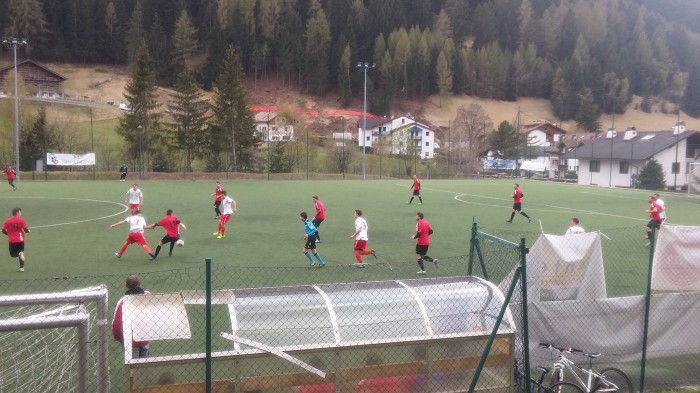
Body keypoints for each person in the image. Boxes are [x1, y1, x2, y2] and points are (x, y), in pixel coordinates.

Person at [112, 274, 151, 358]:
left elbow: (117, 326)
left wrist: (120, 338)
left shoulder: (122, 302)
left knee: (132, 367)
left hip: (130, 341)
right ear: (139, 284)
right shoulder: (147, 298)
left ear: (126, 285)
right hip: (145, 338)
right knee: (145, 365)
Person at [2, 207, 30, 272]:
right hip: (21, 240)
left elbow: (3, 230)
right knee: (21, 252)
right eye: (20, 212)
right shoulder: (21, 220)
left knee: (13, 254)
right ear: (17, 213)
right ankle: (21, 268)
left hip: (12, 241)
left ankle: (19, 254)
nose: (21, 213)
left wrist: (8, 234)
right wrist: (28, 231)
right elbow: (25, 230)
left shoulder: (7, 220)